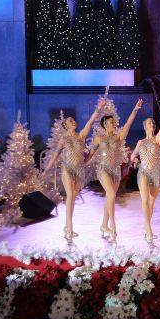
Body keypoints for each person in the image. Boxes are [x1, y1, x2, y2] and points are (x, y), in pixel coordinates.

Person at [41, 99, 107, 241]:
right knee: (70, 196)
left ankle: (67, 225)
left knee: (72, 197)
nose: (73, 122)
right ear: (65, 125)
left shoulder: (81, 136)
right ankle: (69, 227)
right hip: (67, 170)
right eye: (70, 121)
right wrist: (46, 170)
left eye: (73, 120)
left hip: (79, 171)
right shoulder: (63, 140)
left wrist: (98, 109)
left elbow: (90, 122)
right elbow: (54, 156)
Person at [86, 99, 144, 242]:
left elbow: (129, 123)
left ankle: (104, 225)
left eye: (114, 122)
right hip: (103, 169)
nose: (115, 123)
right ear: (105, 125)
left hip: (115, 171)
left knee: (110, 197)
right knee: (111, 194)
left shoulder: (119, 137)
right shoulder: (99, 139)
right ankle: (113, 225)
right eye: (112, 122)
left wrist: (135, 109)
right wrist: (82, 164)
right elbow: (90, 154)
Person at [129, 99, 160, 243]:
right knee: (144, 200)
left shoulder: (158, 140)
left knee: (151, 202)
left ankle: (146, 228)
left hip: (156, 173)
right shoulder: (140, 142)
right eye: (150, 123)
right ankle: (148, 230)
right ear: (144, 127)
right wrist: (135, 161)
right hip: (143, 172)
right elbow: (132, 155)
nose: (152, 124)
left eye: (153, 123)